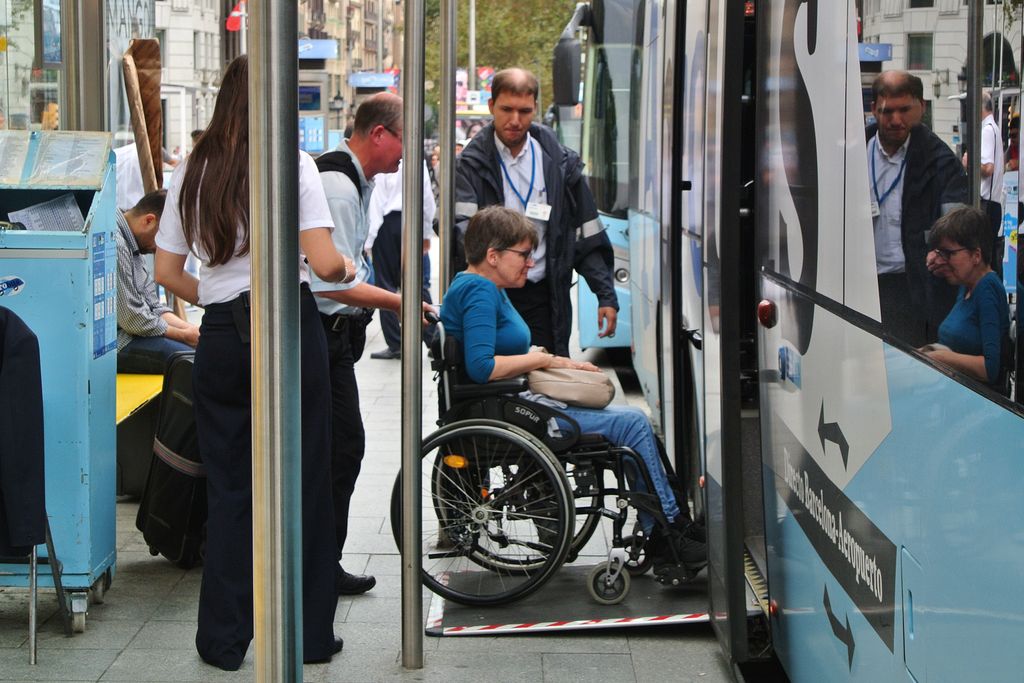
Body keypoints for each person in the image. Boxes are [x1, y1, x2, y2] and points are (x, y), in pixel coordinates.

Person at [154, 55, 354, 670]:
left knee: (231, 489)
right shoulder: (291, 165)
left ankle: (223, 640)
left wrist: (218, 301)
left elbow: (167, 273)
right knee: (305, 482)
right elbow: (324, 265)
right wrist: (346, 267)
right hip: (287, 331)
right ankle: (309, 634)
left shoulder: (192, 169)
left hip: (221, 338)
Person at [440, 206, 704, 573]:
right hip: (512, 411)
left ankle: (673, 524)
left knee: (634, 424)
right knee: (633, 425)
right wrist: (536, 362)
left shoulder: (485, 288)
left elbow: (516, 353)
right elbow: (483, 367)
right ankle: (667, 536)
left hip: (513, 403)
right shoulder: (480, 292)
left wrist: (567, 364)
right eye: (523, 254)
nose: (530, 263)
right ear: (492, 255)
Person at [310, 92, 429, 596]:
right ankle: (320, 564)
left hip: (335, 338)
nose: (409, 154)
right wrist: (396, 301)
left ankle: (321, 560)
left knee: (341, 450)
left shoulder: (354, 180)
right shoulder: (337, 185)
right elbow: (328, 281)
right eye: (405, 139)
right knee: (339, 450)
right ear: (379, 134)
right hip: (321, 335)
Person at [454, 68, 618, 357]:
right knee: (497, 384)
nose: (515, 120)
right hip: (491, 296)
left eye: (524, 111)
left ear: (535, 110)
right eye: (506, 109)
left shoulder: (561, 163)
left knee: (547, 385)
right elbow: (461, 231)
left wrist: (606, 294)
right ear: (491, 106)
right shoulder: (470, 164)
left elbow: (586, 232)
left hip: (546, 296)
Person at [866, 70, 967, 347]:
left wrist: (940, 252)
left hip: (913, 289)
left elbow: (956, 229)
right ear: (874, 109)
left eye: (904, 110)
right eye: (888, 111)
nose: (896, 120)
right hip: (861, 282)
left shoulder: (942, 162)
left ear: (920, 108)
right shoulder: (851, 151)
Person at [923, 206, 1010, 389]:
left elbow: (990, 368)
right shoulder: (966, 285)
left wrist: (941, 357)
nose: (943, 260)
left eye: (949, 253)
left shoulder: (987, 288)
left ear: (975, 255)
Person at [115, 189, 199, 373]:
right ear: (149, 220)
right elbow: (133, 319)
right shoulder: (117, 243)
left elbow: (154, 306)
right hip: (118, 342)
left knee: (199, 351)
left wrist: (191, 330)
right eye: (164, 239)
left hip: (135, 332)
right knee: (189, 362)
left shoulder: (134, 243)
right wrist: (184, 335)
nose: (160, 248)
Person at [366, 159, 437, 360]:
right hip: (410, 221)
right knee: (416, 283)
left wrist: (369, 240)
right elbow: (426, 198)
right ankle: (434, 340)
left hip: (387, 225)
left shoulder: (384, 159)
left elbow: (377, 200)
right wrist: (425, 233)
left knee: (385, 285)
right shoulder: (415, 160)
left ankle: (396, 343)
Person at [964, 91, 1005, 279]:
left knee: (983, 259)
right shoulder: (993, 129)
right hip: (991, 203)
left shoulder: (987, 130)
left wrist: (968, 161)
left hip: (986, 203)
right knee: (988, 258)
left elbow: (987, 168)